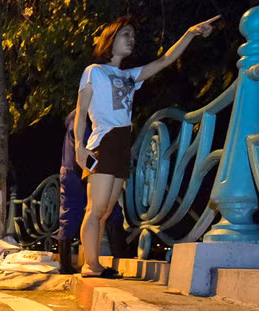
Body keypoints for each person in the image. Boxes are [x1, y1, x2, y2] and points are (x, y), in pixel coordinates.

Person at [75, 14, 218, 278]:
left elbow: (165, 61)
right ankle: (90, 266)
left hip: (121, 143)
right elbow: (81, 110)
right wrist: (78, 146)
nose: (131, 39)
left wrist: (190, 32)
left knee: (106, 211)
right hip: (103, 142)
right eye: (125, 34)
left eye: (132, 35)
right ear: (111, 39)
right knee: (95, 209)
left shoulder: (129, 76)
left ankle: (93, 262)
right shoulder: (94, 71)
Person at [58, 109, 125, 274]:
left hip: (71, 170)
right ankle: (119, 254)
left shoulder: (78, 117)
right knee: (106, 210)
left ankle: (66, 264)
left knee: (70, 214)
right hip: (80, 171)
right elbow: (88, 148)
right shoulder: (88, 117)